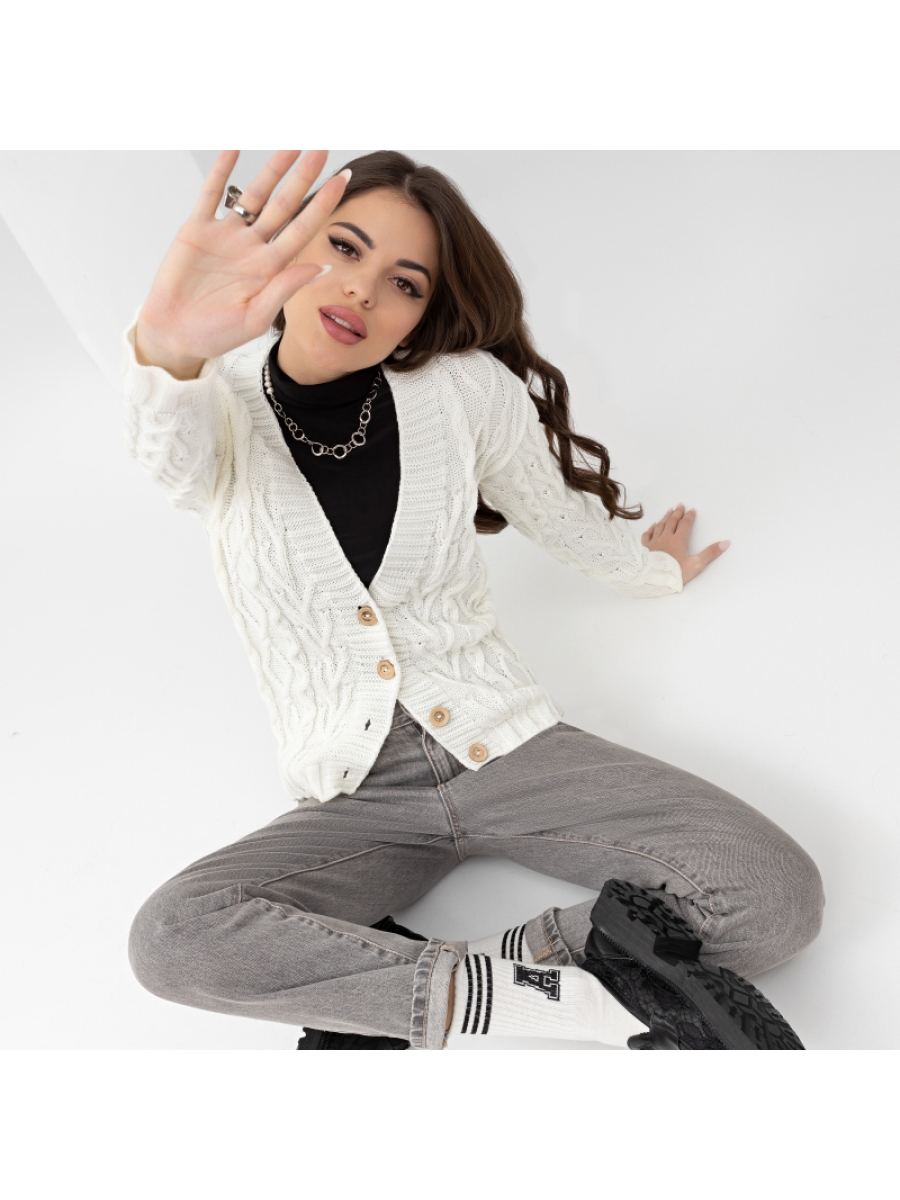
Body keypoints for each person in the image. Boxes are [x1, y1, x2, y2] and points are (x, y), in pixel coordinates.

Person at [123, 149, 824, 1050]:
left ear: (423, 312)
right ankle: (544, 1001)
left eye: (404, 282)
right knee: (173, 937)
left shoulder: (461, 392)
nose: (363, 289)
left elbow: (550, 510)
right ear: (291, 248)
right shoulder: (211, 400)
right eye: (344, 247)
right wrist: (170, 347)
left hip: (506, 744)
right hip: (357, 793)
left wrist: (651, 570)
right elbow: (170, 460)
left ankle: (437, 985)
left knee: (772, 896)